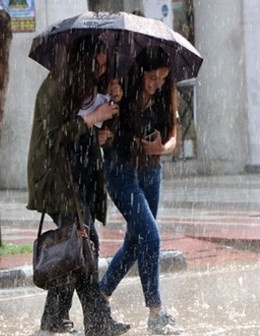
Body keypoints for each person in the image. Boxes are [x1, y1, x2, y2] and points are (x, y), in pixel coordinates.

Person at [26, 35, 129, 336]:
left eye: (103, 66)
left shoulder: (88, 88)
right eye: (95, 65)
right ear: (81, 62)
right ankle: (97, 321)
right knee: (84, 245)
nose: (100, 72)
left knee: (78, 248)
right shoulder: (55, 86)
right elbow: (54, 137)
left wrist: (113, 106)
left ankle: (55, 320)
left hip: (80, 177)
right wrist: (91, 120)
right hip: (58, 180)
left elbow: (98, 129)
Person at [99, 46, 183, 335]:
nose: (157, 84)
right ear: (141, 72)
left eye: (162, 78)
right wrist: (117, 103)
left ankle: (100, 297)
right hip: (121, 171)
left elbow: (174, 137)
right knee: (151, 235)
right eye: (152, 78)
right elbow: (106, 127)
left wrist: (162, 148)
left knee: (136, 243)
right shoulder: (122, 89)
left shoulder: (165, 94)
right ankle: (156, 312)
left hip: (151, 170)